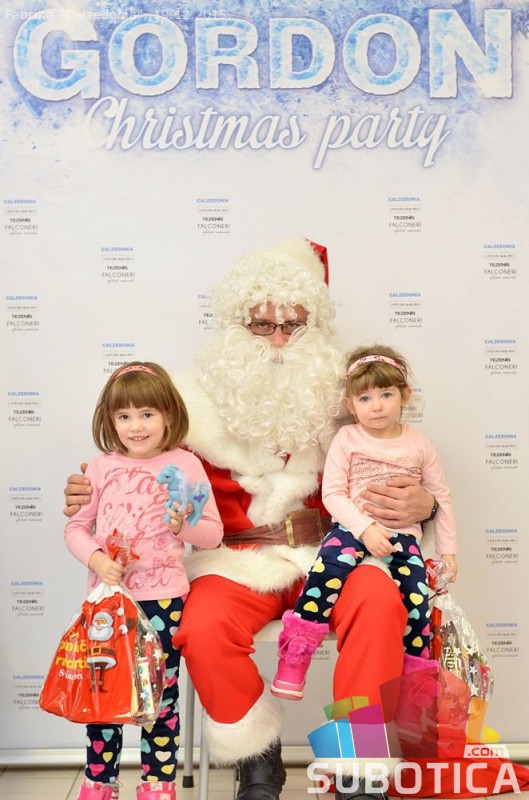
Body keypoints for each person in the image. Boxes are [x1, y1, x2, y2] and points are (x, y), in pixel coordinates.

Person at [64, 239, 436, 800]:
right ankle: (257, 758)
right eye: (263, 325)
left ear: (315, 326)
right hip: (234, 556)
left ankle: (357, 766)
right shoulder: (190, 400)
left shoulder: (352, 393)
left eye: (294, 325)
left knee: (380, 605)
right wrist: (88, 489)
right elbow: (135, 456)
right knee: (201, 628)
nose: (279, 340)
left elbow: (410, 460)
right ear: (237, 327)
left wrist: (426, 506)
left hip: (337, 551)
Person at [64, 361, 223, 800]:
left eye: (147, 414)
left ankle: (158, 783)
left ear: (168, 415)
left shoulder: (186, 465)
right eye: (124, 416)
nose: (136, 426)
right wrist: (97, 559)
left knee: (161, 697)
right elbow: (75, 528)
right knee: (103, 697)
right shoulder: (100, 469)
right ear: (110, 420)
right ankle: (99, 782)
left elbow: (212, 534)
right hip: (107, 604)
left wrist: (182, 526)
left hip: (164, 602)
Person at [271, 344, 458, 701]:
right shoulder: (348, 438)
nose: (377, 406)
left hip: (403, 538)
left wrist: (448, 554)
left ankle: (413, 684)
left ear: (405, 395)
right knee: (323, 576)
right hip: (352, 530)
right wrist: (365, 529)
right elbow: (333, 494)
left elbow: (441, 498)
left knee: (417, 602)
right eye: (365, 398)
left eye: (386, 395)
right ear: (350, 404)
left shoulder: (419, 444)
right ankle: (296, 656)